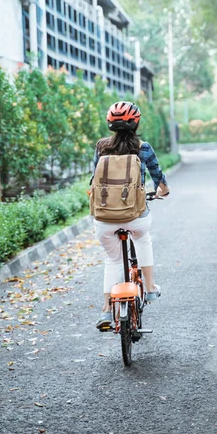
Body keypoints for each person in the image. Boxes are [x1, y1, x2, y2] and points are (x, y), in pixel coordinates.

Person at [92, 101, 170, 329]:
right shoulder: (143, 147)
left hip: (104, 217)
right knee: (143, 238)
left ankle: (106, 310)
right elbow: (158, 175)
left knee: (113, 260)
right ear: (136, 123)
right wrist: (162, 190)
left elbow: (94, 179)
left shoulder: (101, 147)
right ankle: (151, 288)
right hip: (135, 214)